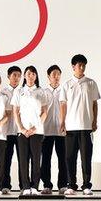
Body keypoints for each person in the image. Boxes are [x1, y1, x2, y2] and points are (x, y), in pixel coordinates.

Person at [60, 54, 100, 196]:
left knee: (86, 157)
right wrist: (62, 122)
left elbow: (95, 104)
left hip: (86, 127)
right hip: (70, 127)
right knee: (70, 158)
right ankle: (71, 185)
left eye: (83, 65)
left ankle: (86, 185)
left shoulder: (91, 83)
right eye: (79, 65)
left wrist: (94, 121)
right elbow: (63, 105)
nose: (81, 68)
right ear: (73, 67)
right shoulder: (66, 84)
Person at [13, 66, 51, 196]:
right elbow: (15, 112)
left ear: (36, 76)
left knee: (36, 160)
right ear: (24, 76)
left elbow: (45, 112)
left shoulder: (41, 91)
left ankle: (35, 186)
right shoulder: (19, 91)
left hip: (37, 131)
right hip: (22, 132)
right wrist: (22, 128)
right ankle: (25, 186)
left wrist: (35, 127)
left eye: (33, 74)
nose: (31, 76)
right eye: (28, 73)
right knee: (23, 160)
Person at [40, 65, 66, 194]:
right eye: (54, 74)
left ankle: (63, 184)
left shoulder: (64, 90)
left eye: (58, 74)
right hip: (46, 130)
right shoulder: (43, 92)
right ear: (48, 76)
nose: (56, 77)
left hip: (62, 131)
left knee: (63, 158)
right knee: (45, 159)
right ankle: (47, 184)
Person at [1, 65, 23, 191]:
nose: (17, 78)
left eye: (19, 76)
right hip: (6, 131)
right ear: (8, 76)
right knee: (6, 160)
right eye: (14, 75)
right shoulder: (3, 92)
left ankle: (23, 186)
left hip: (20, 131)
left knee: (23, 161)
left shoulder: (23, 91)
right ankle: (5, 185)